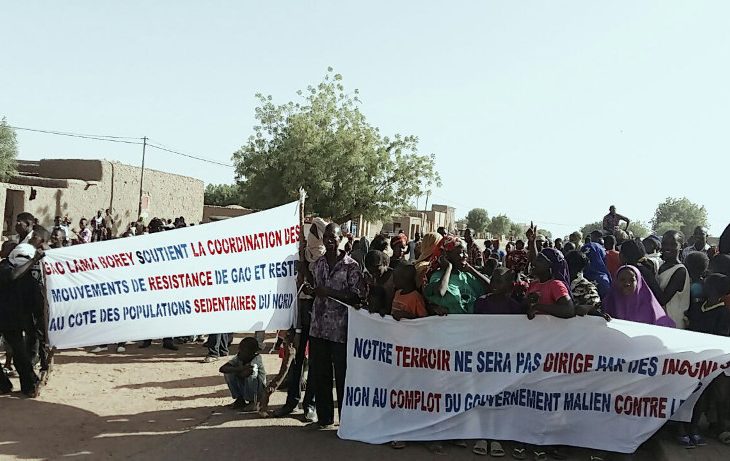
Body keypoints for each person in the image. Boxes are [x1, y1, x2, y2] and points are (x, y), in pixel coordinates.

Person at [307, 223, 365, 428]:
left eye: (334, 237)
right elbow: (316, 288)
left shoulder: (351, 266)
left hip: (341, 330)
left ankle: (346, 419)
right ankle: (324, 418)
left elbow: (357, 297)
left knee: (342, 375)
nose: (330, 241)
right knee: (320, 373)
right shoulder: (318, 264)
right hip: (318, 327)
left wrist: (329, 292)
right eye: (327, 238)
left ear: (342, 239)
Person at [0, 232, 47, 397]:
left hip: (12, 319)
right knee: (19, 352)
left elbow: (37, 302)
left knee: (20, 354)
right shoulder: (5, 267)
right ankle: (3, 384)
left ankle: (28, 384)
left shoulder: (30, 277)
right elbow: (12, 275)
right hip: (5, 315)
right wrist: (33, 260)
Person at [424, 236, 490, 314]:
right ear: (446, 256)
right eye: (461, 252)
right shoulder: (438, 276)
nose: (465, 256)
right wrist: (449, 267)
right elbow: (440, 292)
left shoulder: (467, 276)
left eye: (466, 252)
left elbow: (491, 287)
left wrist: (471, 269)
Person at [603, 266, 675, 327]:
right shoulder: (608, 304)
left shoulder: (650, 307)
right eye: (622, 280)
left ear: (638, 282)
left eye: (632, 280)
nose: (627, 284)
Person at [525, 248, 575, 319]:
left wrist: (538, 307)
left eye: (539, 260)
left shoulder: (556, 285)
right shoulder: (534, 284)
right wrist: (528, 301)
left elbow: (569, 310)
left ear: (550, 266)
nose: (534, 262)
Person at [219, 337, 267, 411]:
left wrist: (237, 371)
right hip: (244, 384)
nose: (240, 351)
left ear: (251, 352)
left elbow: (247, 373)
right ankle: (240, 399)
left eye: (243, 350)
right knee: (229, 373)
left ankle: (254, 402)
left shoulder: (256, 359)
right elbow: (222, 368)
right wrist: (240, 369)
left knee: (251, 375)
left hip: (258, 390)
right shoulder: (239, 357)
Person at [658, 231, 690, 329]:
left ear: (681, 246)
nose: (668, 247)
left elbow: (663, 299)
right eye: (665, 244)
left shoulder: (680, 271)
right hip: (662, 320)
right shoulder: (662, 265)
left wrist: (648, 275)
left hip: (674, 323)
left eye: (673, 244)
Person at [566, 250, 609, 318]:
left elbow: (596, 308)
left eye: (574, 265)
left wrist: (588, 308)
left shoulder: (587, 287)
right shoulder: (562, 284)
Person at [364, 250, 394, 316]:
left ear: (384, 263)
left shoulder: (395, 278)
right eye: (371, 272)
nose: (374, 274)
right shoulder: (371, 279)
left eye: (377, 270)